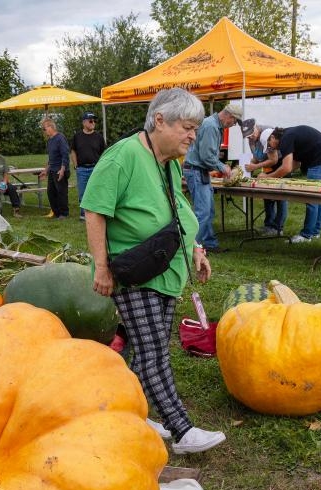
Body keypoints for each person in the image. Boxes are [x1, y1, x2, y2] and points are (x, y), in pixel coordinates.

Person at [81, 87, 225, 455]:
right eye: (187, 127)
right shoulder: (122, 157)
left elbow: (176, 205)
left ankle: (130, 414)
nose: (193, 135)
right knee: (153, 351)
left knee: (147, 348)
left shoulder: (168, 158)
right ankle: (182, 429)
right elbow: (95, 211)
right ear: (160, 120)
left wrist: (195, 246)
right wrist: (101, 267)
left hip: (164, 269)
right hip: (135, 271)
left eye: (195, 128)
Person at [260, 125, 321, 244]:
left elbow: (287, 167)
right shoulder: (287, 135)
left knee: (311, 197)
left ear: (272, 137)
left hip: (320, 160)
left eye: (269, 145)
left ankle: (306, 235)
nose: (271, 148)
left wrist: (267, 177)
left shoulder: (285, 140)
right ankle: (315, 232)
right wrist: (280, 175)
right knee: (318, 198)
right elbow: (295, 164)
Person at [183, 101, 243, 253]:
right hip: (196, 170)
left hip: (199, 171)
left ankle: (209, 243)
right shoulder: (211, 126)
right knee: (202, 212)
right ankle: (191, 248)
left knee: (208, 210)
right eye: (234, 121)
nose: (233, 124)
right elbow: (206, 156)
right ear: (228, 116)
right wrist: (223, 168)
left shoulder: (214, 125)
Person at [241, 119, 286, 236]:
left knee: (280, 196)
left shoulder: (267, 135)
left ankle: (278, 227)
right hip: (267, 167)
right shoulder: (251, 137)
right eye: (247, 137)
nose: (250, 138)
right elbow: (256, 156)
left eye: (251, 135)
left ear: (255, 127)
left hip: (279, 165)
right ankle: (269, 225)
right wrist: (245, 165)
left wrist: (255, 166)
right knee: (267, 195)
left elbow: (273, 160)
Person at [70, 111, 106, 221]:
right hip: (81, 169)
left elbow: (104, 154)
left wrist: (100, 168)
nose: (93, 122)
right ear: (84, 122)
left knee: (96, 192)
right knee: (82, 193)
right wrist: (76, 166)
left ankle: (96, 214)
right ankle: (83, 215)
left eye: (94, 121)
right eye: (91, 120)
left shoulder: (99, 137)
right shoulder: (77, 136)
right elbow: (73, 151)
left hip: (95, 169)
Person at [38, 117, 70, 219]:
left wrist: (62, 170)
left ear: (51, 127)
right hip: (52, 170)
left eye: (44, 128)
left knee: (61, 192)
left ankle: (63, 213)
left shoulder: (60, 138)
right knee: (51, 192)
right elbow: (51, 158)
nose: (44, 131)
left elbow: (65, 155)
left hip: (60, 169)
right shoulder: (50, 141)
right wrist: (45, 170)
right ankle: (56, 212)